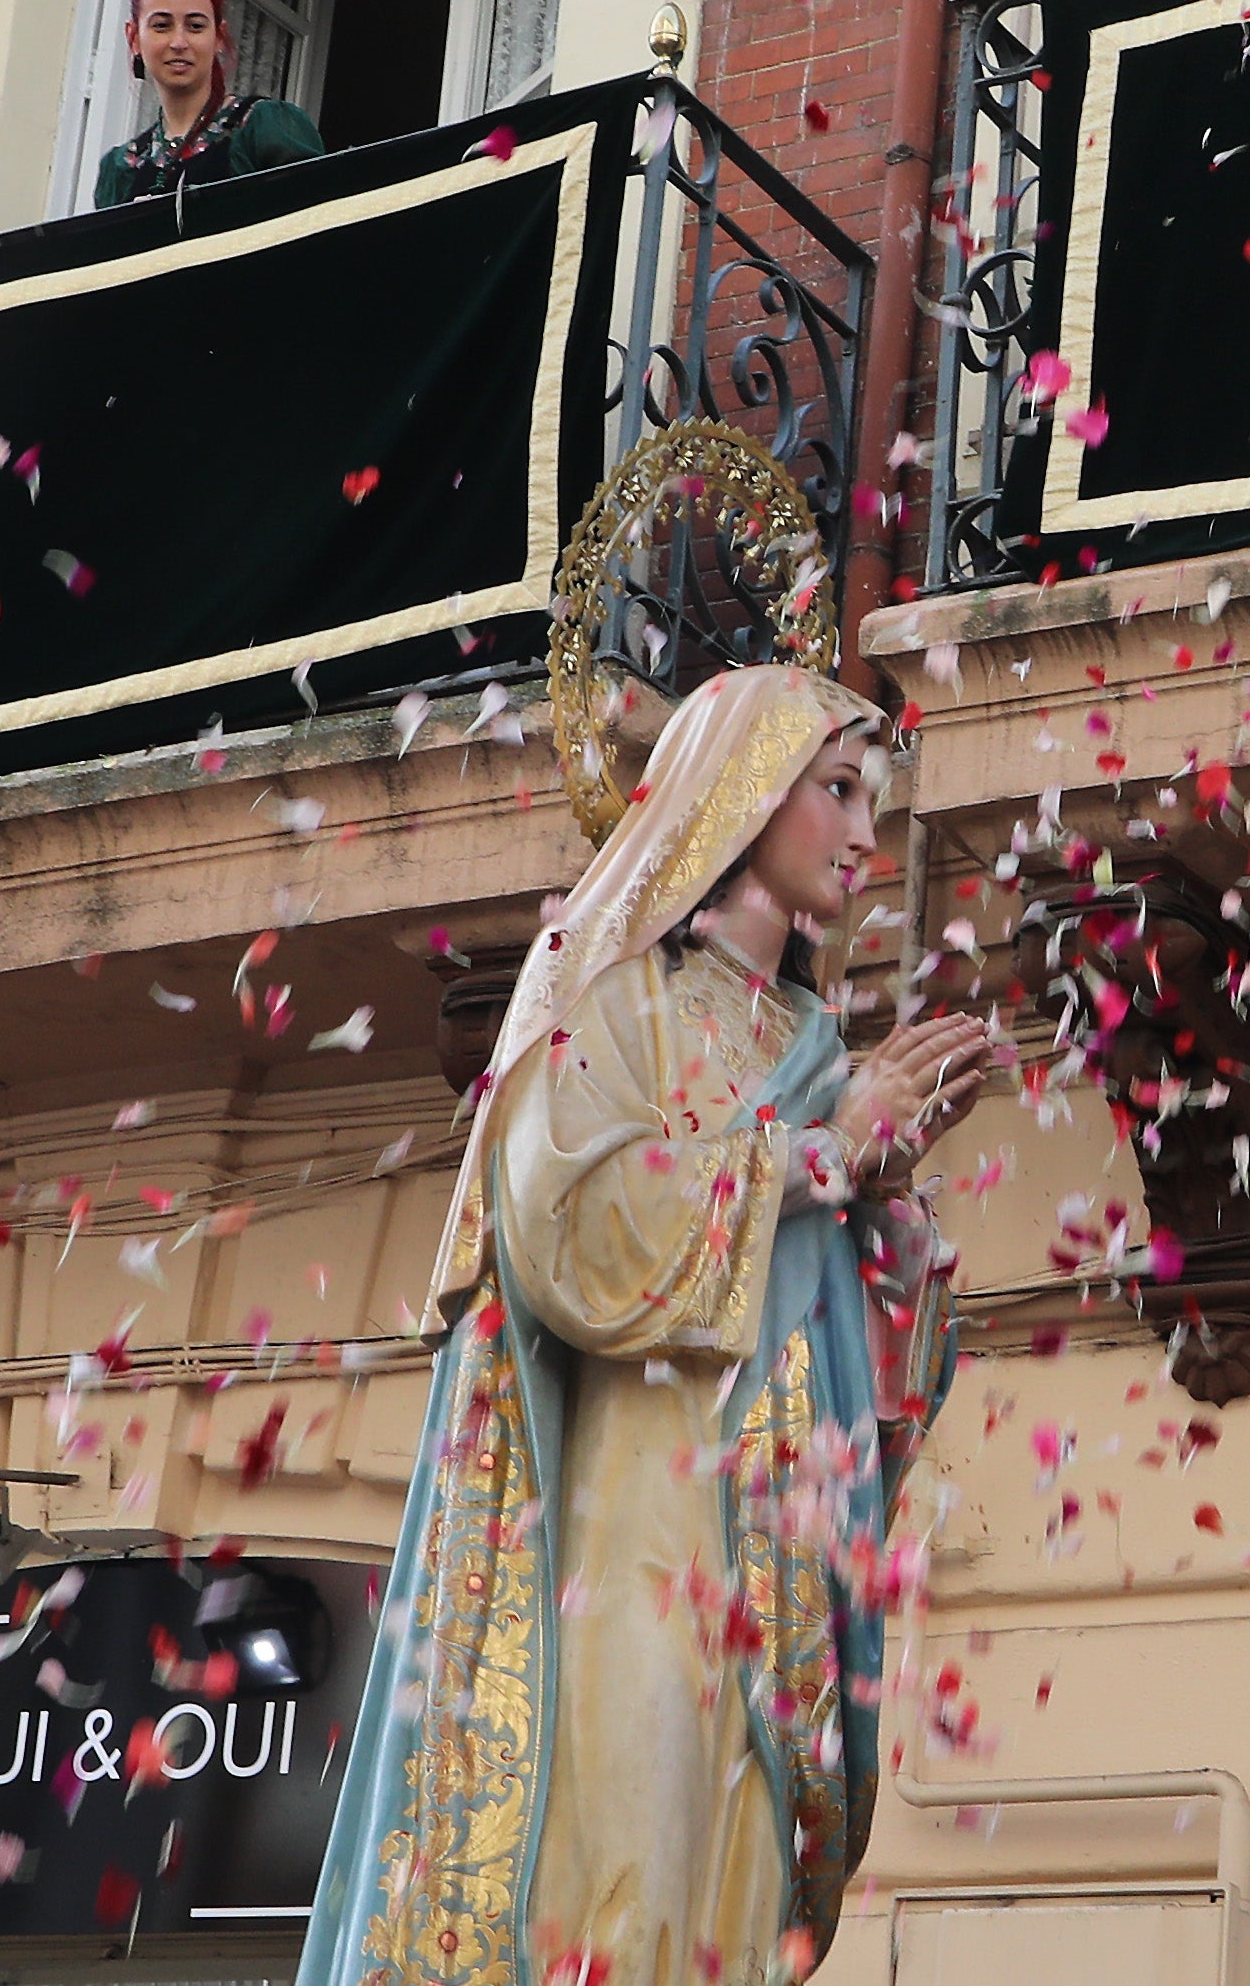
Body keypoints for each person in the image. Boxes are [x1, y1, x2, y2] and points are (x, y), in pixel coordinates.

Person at [301, 664, 992, 1986]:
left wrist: (891, 1219)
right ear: (740, 793)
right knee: (624, 1859)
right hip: (628, 1523)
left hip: (773, 1547)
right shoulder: (605, 991)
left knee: (727, 1894)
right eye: (837, 789)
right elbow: (563, 1214)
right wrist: (815, 1160)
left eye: (873, 799)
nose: (864, 834)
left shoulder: (801, 1039)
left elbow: (855, 1339)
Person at [91, 0, 326, 205]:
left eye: (195, 26)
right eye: (161, 25)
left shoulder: (265, 129)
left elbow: (314, 229)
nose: (179, 42)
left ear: (219, 37)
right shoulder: (119, 171)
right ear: (134, 37)